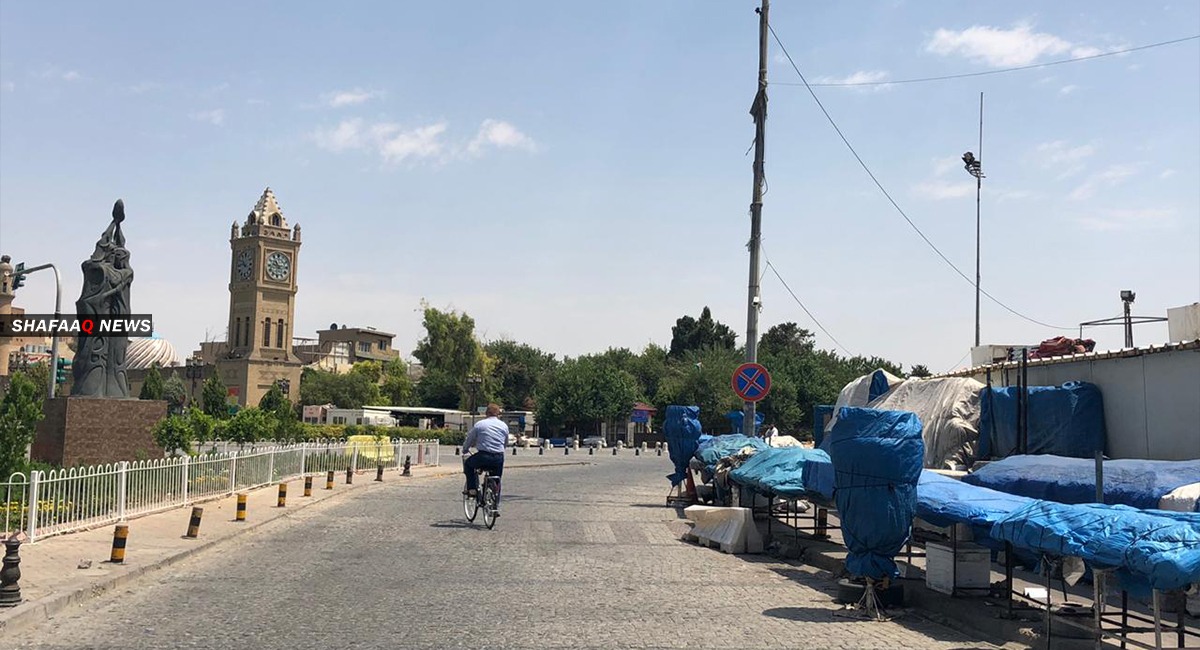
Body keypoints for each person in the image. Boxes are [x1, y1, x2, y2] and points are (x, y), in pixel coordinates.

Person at [462, 403, 508, 503]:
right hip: (498, 457)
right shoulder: (504, 426)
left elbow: (470, 439)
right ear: (498, 414)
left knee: (469, 465)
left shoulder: (480, 424)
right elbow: (505, 443)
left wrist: (465, 449)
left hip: (483, 456)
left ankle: (472, 489)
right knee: (497, 479)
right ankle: (495, 501)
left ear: (486, 413)